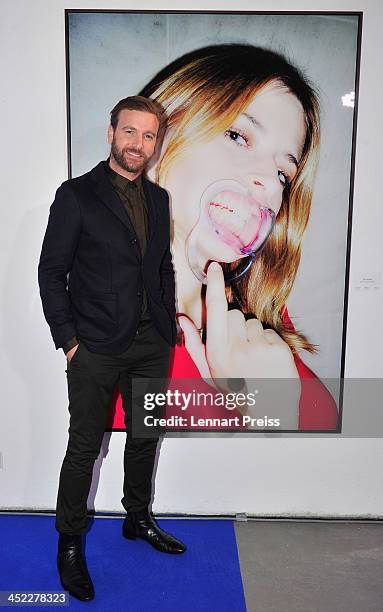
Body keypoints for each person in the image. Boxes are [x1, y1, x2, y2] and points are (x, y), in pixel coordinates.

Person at [130, 44, 337, 431]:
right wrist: (268, 422)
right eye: (239, 137)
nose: (269, 187)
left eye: (282, 173)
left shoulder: (256, 308)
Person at [38, 96, 186, 602]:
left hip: (152, 344)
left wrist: (167, 324)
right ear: (111, 133)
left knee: (145, 436)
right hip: (95, 346)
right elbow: (51, 273)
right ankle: (70, 545)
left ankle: (137, 517)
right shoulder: (76, 195)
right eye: (130, 133)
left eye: (148, 136)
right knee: (84, 448)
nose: (138, 145)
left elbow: (160, 267)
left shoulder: (160, 199)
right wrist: (69, 341)